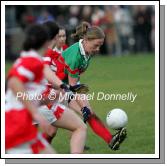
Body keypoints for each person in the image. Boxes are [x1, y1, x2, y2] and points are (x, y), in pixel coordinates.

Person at [57, 21, 127, 150]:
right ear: (86, 40)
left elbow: (73, 81)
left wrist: (84, 105)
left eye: (100, 45)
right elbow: (72, 86)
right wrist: (83, 105)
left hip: (65, 85)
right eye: (96, 45)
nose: (98, 49)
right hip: (53, 87)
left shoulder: (86, 51)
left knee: (88, 113)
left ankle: (110, 140)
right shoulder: (76, 56)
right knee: (49, 130)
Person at [37, 21, 87, 154]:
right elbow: (46, 72)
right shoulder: (46, 53)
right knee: (79, 127)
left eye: (63, 35)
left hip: (42, 101)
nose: (62, 38)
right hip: (42, 102)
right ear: (54, 36)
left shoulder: (50, 52)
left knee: (52, 131)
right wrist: (64, 87)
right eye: (59, 35)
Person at [5, 24, 57, 154]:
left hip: (22, 124)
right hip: (16, 124)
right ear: (46, 42)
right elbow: (13, 82)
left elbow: (25, 92)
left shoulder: (30, 58)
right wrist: (36, 113)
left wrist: (47, 99)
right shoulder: (33, 60)